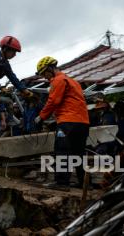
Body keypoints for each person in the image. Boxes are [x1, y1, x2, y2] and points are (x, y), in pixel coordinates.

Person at [34, 56, 90, 190]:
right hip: (82, 123)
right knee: (79, 153)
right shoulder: (73, 82)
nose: (45, 77)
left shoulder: (58, 80)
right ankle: (85, 183)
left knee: (62, 151)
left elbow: (54, 101)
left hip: (68, 122)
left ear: (50, 69)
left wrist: (41, 117)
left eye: (44, 73)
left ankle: (62, 183)